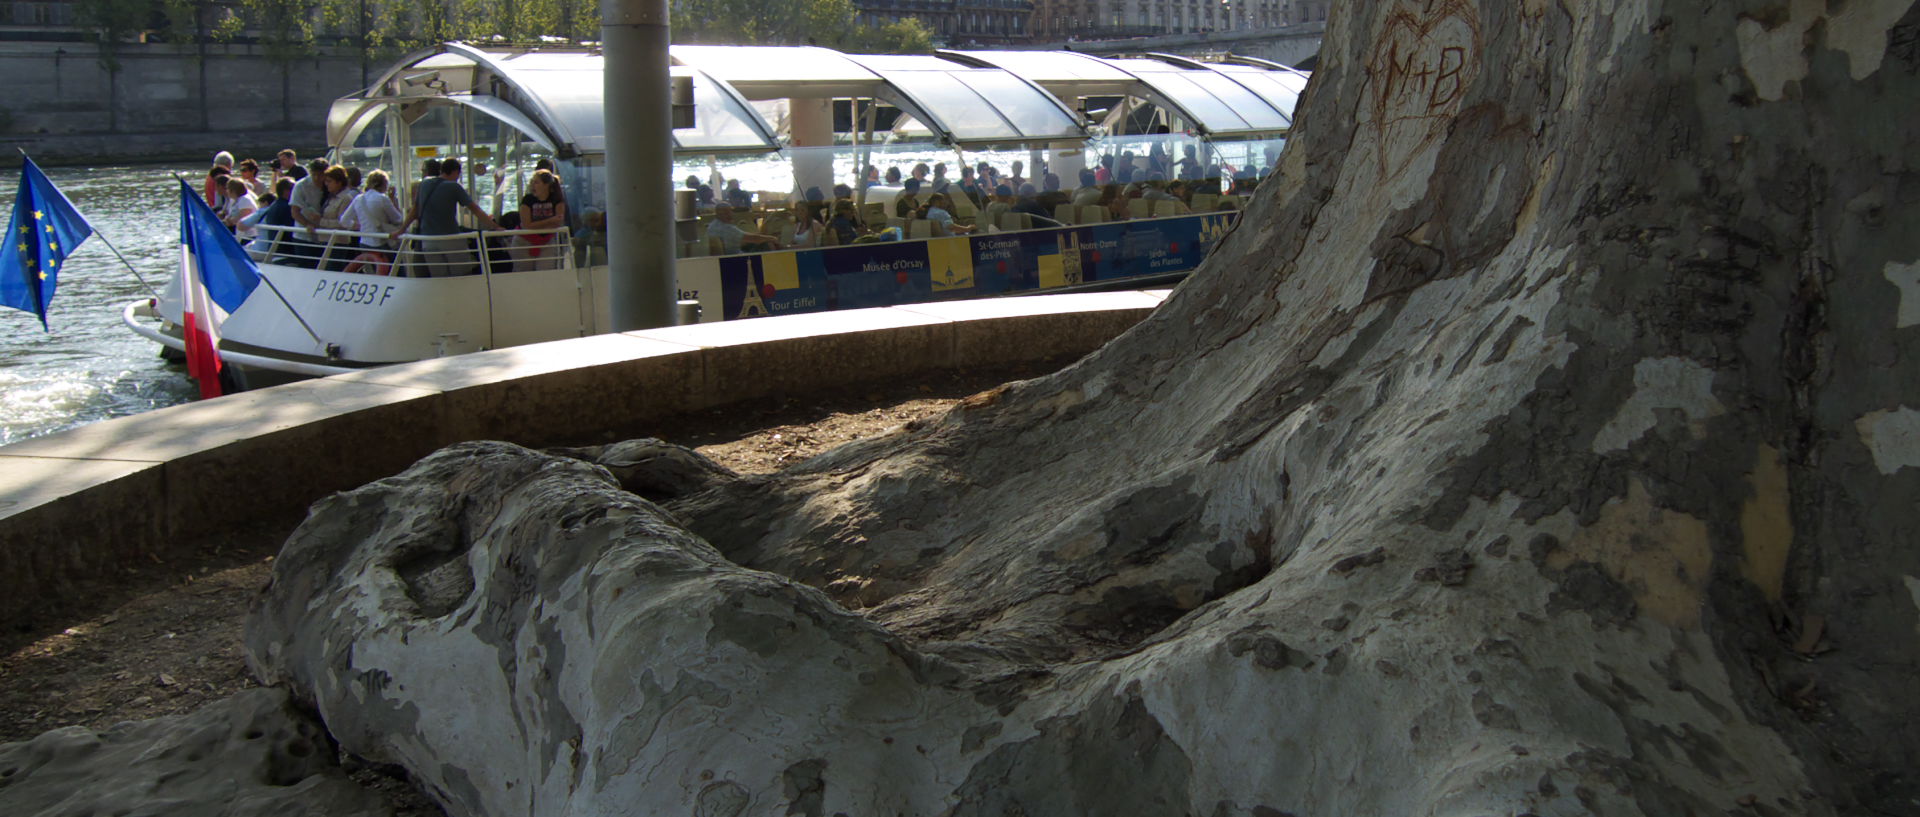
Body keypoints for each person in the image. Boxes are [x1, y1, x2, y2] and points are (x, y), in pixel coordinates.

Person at [391, 158, 501, 277]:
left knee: (439, 277)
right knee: (463, 274)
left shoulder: (424, 184)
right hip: (450, 238)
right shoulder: (454, 186)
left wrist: (401, 230)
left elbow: (415, 210)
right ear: (455, 172)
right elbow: (475, 209)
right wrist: (494, 226)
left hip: (428, 241)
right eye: (458, 174)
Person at [344, 169, 403, 275]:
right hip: (382, 243)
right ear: (384, 184)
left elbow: (344, 220)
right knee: (397, 271)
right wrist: (393, 200)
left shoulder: (358, 199)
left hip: (365, 242)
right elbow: (398, 219)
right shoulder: (382, 199)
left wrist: (359, 226)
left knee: (371, 273)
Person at [516, 169, 569, 270]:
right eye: (532, 182)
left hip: (546, 240)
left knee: (546, 271)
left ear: (546, 185)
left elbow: (558, 222)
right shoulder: (528, 199)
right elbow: (527, 225)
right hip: (524, 241)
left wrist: (537, 224)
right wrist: (549, 221)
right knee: (524, 273)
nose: (532, 185)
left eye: (536, 182)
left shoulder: (557, 199)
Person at [705, 204, 776, 255]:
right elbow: (755, 239)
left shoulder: (712, 225)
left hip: (725, 255)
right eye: (727, 213)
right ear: (718, 214)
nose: (730, 215)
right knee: (767, 244)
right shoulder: (727, 228)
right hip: (736, 257)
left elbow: (741, 240)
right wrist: (773, 238)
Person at [222, 178, 260, 243]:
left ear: (233, 190)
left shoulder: (245, 199)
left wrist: (230, 221)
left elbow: (244, 217)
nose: (226, 191)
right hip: (240, 234)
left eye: (227, 188)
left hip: (249, 235)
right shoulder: (235, 200)